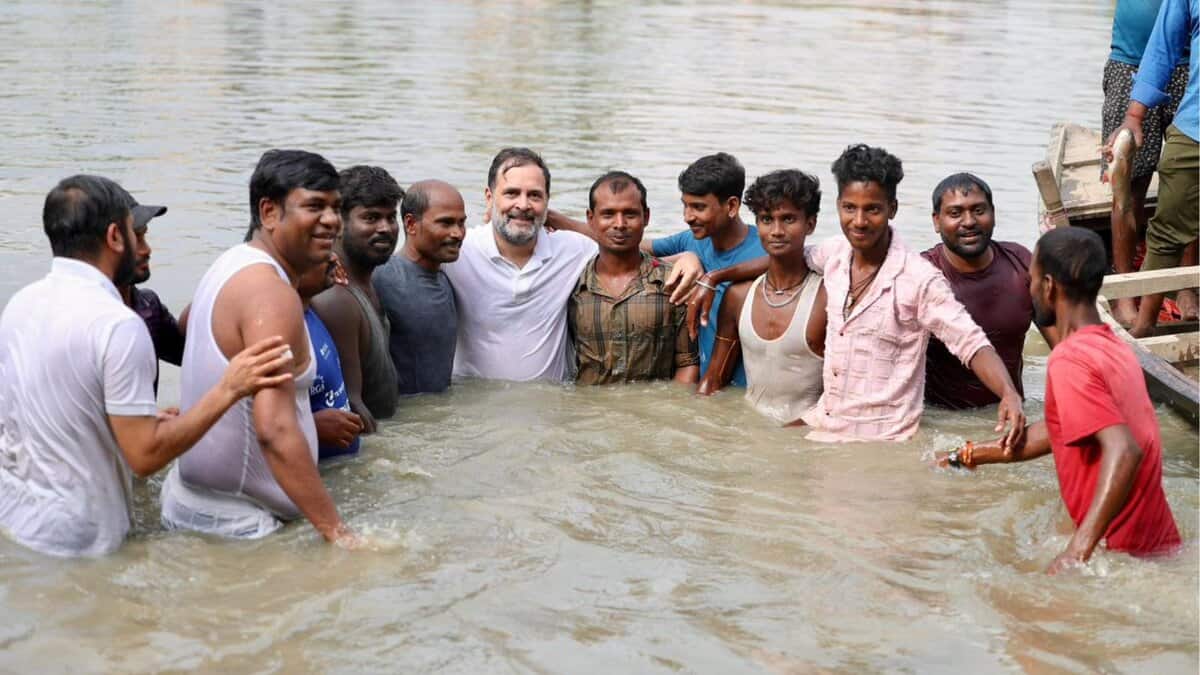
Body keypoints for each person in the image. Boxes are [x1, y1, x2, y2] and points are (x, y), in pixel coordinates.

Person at [0, 175, 291, 557]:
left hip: (16, 522)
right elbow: (145, 457)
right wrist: (228, 389)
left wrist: (140, 418)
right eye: (136, 234)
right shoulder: (118, 324)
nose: (144, 245)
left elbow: (43, 408)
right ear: (115, 237)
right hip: (81, 538)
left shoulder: (21, 304)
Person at [938, 227, 1181, 573]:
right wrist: (965, 455)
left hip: (1120, 558)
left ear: (1049, 287)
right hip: (1158, 547)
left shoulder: (1070, 360)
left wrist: (1076, 551)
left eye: (1033, 279)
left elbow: (1124, 450)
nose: (1030, 289)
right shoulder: (1112, 346)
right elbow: (1057, 430)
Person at [160, 149, 359, 546]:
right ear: (269, 212)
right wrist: (338, 532)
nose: (332, 221)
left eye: (336, 208)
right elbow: (275, 429)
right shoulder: (272, 295)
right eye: (315, 206)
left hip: (195, 503)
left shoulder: (231, 263)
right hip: (240, 527)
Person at [803, 145, 1024, 443]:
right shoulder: (834, 254)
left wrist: (1008, 394)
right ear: (838, 205)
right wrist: (722, 274)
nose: (859, 221)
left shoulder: (919, 279)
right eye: (849, 208)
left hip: (883, 442)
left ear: (892, 209)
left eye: (873, 209)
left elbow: (970, 342)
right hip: (825, 423)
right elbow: (789, 257)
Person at [444, 147, 703, 382]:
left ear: (547, 200)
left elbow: (627, 257)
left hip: (550, 410)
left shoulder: (572, 250)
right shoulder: (457, 252)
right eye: (512, 193)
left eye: (534, 195)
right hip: (473, 407)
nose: (523, 204)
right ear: (489, 197)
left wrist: (687, 259)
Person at [548, 152, 762, 386]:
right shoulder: (690, 241)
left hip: (743, 386)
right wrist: (548, 217)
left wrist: (715, 277)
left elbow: (796, 258)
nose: (687, 217)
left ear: (731, 206)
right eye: (685, 206)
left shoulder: (767, 248)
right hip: (700, 387)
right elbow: (629, 242)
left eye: (698, 207)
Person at [696, 169, 826, 426]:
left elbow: (842, 396)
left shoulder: (828, 297)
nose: (776, 230)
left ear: (810, 224)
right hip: (749, 430)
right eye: (767, 219)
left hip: (806, 440)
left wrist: (785, 438)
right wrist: (697, 423)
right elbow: (714, 378)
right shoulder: (739, 296)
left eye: (788, 219)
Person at [922, 173, 1058, 409]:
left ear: (993, 213)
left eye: (978, 210)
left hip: (1012, 412)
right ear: (936, 221)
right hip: (942, 419)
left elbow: (1061, 343)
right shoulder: (921, 275)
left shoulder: (1021, 264)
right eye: (955, 213)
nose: (969, 222)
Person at [1106, 0, 1199, 338]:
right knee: (1151, 206)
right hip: (1137, 67)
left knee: (1182, 210)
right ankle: (1135, 307)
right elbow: (1163, 44)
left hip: (1188, 84)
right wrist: (1134, 115)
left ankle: (1185, 288)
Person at [568, 171, 699, 385]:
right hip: (588, 412)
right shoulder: (571, 283)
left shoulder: (673, 283)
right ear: (591, 219)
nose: (620, 224)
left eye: (630, 214)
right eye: (608, 214)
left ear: (646, 217)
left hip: (651, 413)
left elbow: (688, 363)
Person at [311, 165, 403, 431]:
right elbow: (353, 408)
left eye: (390, 217)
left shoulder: (370, 282)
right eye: (371, 218)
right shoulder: (337, 299)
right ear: (338, 223)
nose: (385, 228)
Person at [373, 180, 465, 395]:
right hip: (401, 421)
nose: (458, 233)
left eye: (461, 223)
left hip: (439, 417)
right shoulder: (383, 277)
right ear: (411, 224)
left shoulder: (446, 277)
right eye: (446, 223)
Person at [112, 189, 185, 394]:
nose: (147, 250)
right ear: (111, 240)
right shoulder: (86, 320)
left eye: (144, 237)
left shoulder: (148, 307)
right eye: (136, 238)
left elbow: (191, 355)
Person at [301, 254, 363, 460]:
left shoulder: (311, 311)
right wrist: (311, 428)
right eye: (321, 251)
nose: (334, 258)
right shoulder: (279, 329)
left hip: (345, 470)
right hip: (314, 473)